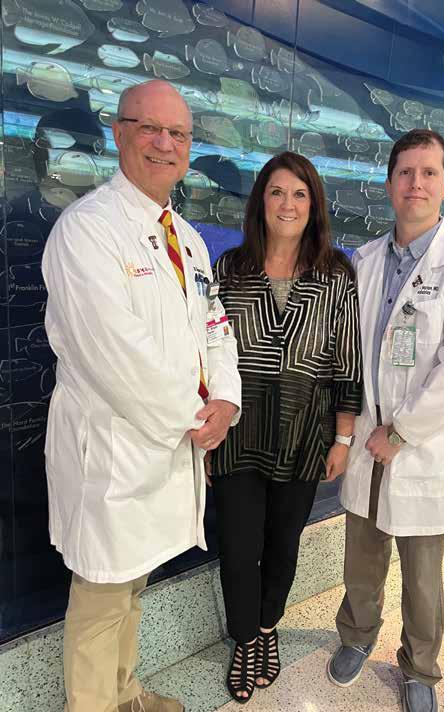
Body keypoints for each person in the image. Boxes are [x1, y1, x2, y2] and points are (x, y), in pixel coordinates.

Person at [42, 80, 241, 712]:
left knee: (132, 588)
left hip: (166, 447)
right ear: (119, 132)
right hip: (114, 452)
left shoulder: (187, 237)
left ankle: (124, 694)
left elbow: (215, 324)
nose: (164, 143)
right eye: (149, 128)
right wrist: (193, 417)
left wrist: (226, 400)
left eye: (177, 133)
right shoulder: (88, 231)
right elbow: (115, 354)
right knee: (101, 597)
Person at [327, 129, 444, 712]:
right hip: (366, 441)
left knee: (423, 574)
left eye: (428, 173)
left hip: (420, 446)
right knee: (361, 556)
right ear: (389, 183)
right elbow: (350, 352)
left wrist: (401, 432)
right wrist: (352, 431)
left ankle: (420, 667)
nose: (415, 183)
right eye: (405, 172)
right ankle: (357, 635)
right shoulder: (365, 261)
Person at [208, 151, 363, 703]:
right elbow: (207, 353)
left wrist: (343, 438)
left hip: (304, 436)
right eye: (277, 192)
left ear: (314, 205)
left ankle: (268, 626)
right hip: (237, 437)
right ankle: (244, 639)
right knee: (237, 546)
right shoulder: (230, 269)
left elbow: (347, 362)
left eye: (300, 194)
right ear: (261, 201)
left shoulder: (335, 274)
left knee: (282, 545)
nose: (288, 204)